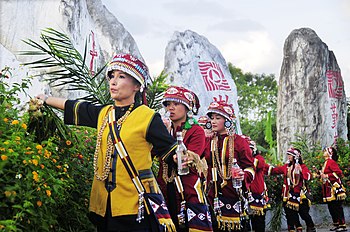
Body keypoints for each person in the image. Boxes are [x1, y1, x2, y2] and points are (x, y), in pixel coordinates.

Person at [37, 53, 177, 232]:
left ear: (136, 86)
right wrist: (45, 99)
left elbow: (170, 150)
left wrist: (181, 158)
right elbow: (74, 106)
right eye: (112, 76)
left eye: (121, 76)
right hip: (103, 205)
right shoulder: (104, 113)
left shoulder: (148, 117)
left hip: (134, 205)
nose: (113, 81)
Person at [157, 86, 213, 231]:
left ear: (187, 107)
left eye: (176, 104)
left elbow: (191, 156)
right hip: (164, 185)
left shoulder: (196, 130)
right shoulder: (163, 129)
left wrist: (181, 157)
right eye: (168, 104)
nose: (171, 108)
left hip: (187, 187)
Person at [204, 98, 255, 231]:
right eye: (212, 118)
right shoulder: (208, 141)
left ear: (227, 121)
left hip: (233, 192)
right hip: (211, 193)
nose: (213, 121)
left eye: (217, 118)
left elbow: (250, 167)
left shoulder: (239, 141)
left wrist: (244, 175)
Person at [266, 147, 316, 232]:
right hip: (288, 194)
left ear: (296, 157)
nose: (288, 156)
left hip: (300, 194)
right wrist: (262, 166)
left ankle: (310, 226)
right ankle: (296, 228)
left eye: (290, 155)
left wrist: (300, 169)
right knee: (290, 214)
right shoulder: (286, 167)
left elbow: (308, 176)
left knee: (303, 213)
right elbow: (275, 170)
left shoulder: (302, 166)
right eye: (288, 155)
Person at [241, 136, 269, 232]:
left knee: (258, 222)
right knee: (244, 223)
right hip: (244, 195)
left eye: (250, 149)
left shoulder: (259, 159)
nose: (248, 151)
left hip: (256, 194)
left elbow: (256, 165)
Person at [320, 146, 347, 232]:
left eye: (326, 151)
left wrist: (327, 175)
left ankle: (342, 225)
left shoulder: (331, 162)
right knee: (331, 207)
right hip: (328, 188)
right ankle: (336, 224)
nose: (324, 152)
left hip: (334, 188)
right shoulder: (326, 162)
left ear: (330, 153)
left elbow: (338, 172)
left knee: (336, 207)